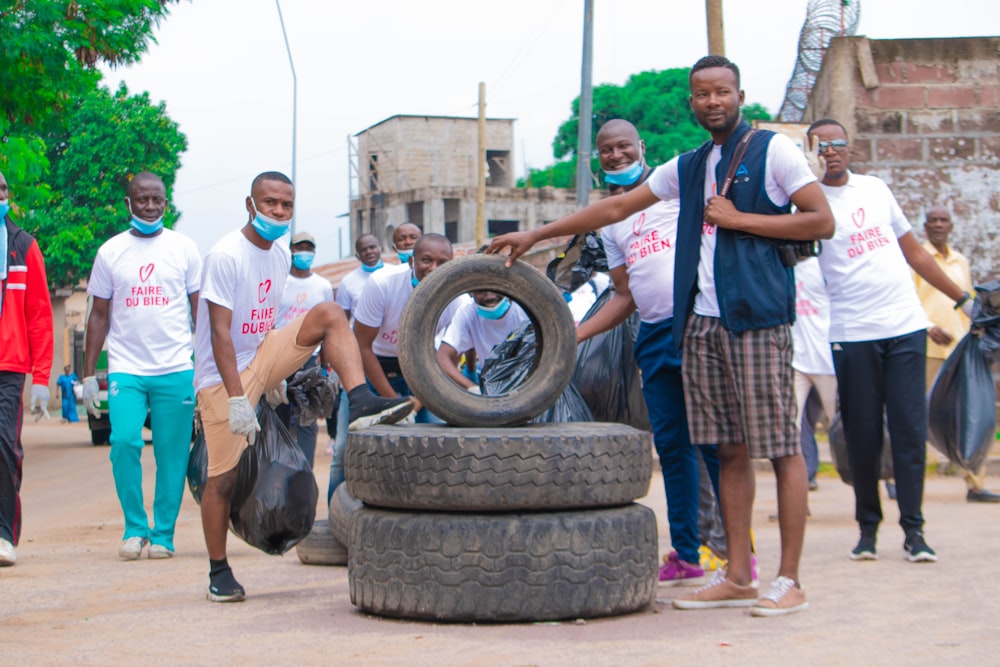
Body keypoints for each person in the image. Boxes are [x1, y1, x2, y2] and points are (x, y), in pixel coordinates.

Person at [488, 55, 834, 617]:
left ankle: (788, 578)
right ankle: (738, 575)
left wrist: (741, 220)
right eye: (702, 94)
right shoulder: (690, 165)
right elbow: (620, 205)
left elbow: (821, 220)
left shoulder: (774, 151)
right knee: (726, 449)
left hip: (757, 320)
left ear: (739, 95)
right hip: (700, 325)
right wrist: (537, 233)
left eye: (723, 92)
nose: (713, 102)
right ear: (691, 103)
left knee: (782, 449)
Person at [194, 171, 413, 603]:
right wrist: (240, 398)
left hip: (260, 356)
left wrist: (276, 376)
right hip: (222, 378)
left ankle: (361, 399)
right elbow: (219, 334)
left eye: (286, 205)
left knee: (329, 312)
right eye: (269, 202)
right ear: (250, 205)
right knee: (223, 478)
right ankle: (218, 571)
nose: (278, 211)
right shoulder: (224, 256)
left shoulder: (278, 256)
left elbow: (265, 321)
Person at [806, 119, 973, 564]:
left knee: (908, 430)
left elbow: (914, 252)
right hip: (851, 333)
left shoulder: (876, 189)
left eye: (838, 143)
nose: (831, 152)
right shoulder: (806, 203)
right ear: (809, 152)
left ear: (851, 148)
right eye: (821, 146)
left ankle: (914, 532)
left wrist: (963, 300)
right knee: (861, 434)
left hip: (903, 327)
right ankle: (867, 528)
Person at [574, 118, 724, 588]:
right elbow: (623, 295)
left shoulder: (678, 188)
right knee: (673, 448)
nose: (616, 156)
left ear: (642, 146)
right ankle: (686, 554)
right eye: (606, 151)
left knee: (717, 445)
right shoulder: (612, 220)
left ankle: (733, 550)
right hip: (653, 335)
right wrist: (571, 335)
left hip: (699, 326)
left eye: (623, 147)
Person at [81, 172, 202, 561]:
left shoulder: (184, 249)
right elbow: (99, 315)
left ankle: (163, 534)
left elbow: (200, 312)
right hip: (127, 368)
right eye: (142, 199)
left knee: (172, 453)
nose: (150, 206)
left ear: (167, 203)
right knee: (125, 442)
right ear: (128, 202)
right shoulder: (110, 251)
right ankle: (135, 527)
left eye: (157, 200)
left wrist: (206, 368)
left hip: (175, 367)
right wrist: (87, 376)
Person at [914, 205, 999, 503]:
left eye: (943, 220)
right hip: (927, 348)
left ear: (951, 226)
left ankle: (975, 483)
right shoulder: (916, 257)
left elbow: (970, 303)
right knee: (920, 415)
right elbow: (905, 299)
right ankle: (910, 482)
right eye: (932, 220)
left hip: (961, 348)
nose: (938, 225)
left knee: (972, 414)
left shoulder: (960, 260)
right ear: (925, 227)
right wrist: (927, 326)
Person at [0, 169, 54, 567]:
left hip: (9, 366)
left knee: (4, 446)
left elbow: (39, 315)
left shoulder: (23, 246)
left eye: (1, 188)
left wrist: (40, 378)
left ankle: (3, 533)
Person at [353, 233, 464, 423]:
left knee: (437, 441)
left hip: (423, 371)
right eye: (426, 260)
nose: (433, 269)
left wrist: (415, 404)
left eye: (442, 263)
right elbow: (362, 346)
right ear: (412, 261)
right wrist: (395, 405)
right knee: (348, 447)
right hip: (376, 368)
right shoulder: (382, 283)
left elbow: (449, 358)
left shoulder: (457, 300)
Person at [325, 233, 399, 494]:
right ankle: (335, 511)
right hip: (359, 365)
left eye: (372, 246)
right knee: (343, 448)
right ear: (357, 255)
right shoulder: (349, 283)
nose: (369, 251)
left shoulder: (395, 275)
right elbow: (341, 323)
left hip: (396, 363)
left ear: (381, 248)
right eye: (363, 249)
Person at [274, 230, 334, 469]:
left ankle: (304, 471)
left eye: (308, 248)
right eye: (299, 248)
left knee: (307, 420)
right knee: (278, 415)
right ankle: (277, 468)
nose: (303, 253)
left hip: (309, 360)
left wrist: (325, 366)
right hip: (280, 358)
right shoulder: (280, 283)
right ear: (291, 251)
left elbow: (328, 326)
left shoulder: (322, 285)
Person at [792, 256, 838, 490]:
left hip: (827, 362)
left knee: (842, 426)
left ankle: (870, 489)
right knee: (791, 433)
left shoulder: (824, 266)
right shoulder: (783, 265)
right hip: (795, 361)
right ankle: (798, 495)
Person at [436, 290, 529, 391]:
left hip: (531, 383)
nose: (489, 297)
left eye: (495, 288)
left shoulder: (527, 308)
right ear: (471, 292)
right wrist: (472, 387)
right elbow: (442, 358)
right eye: (480, 291)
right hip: (493, 387)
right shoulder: (468, 312)